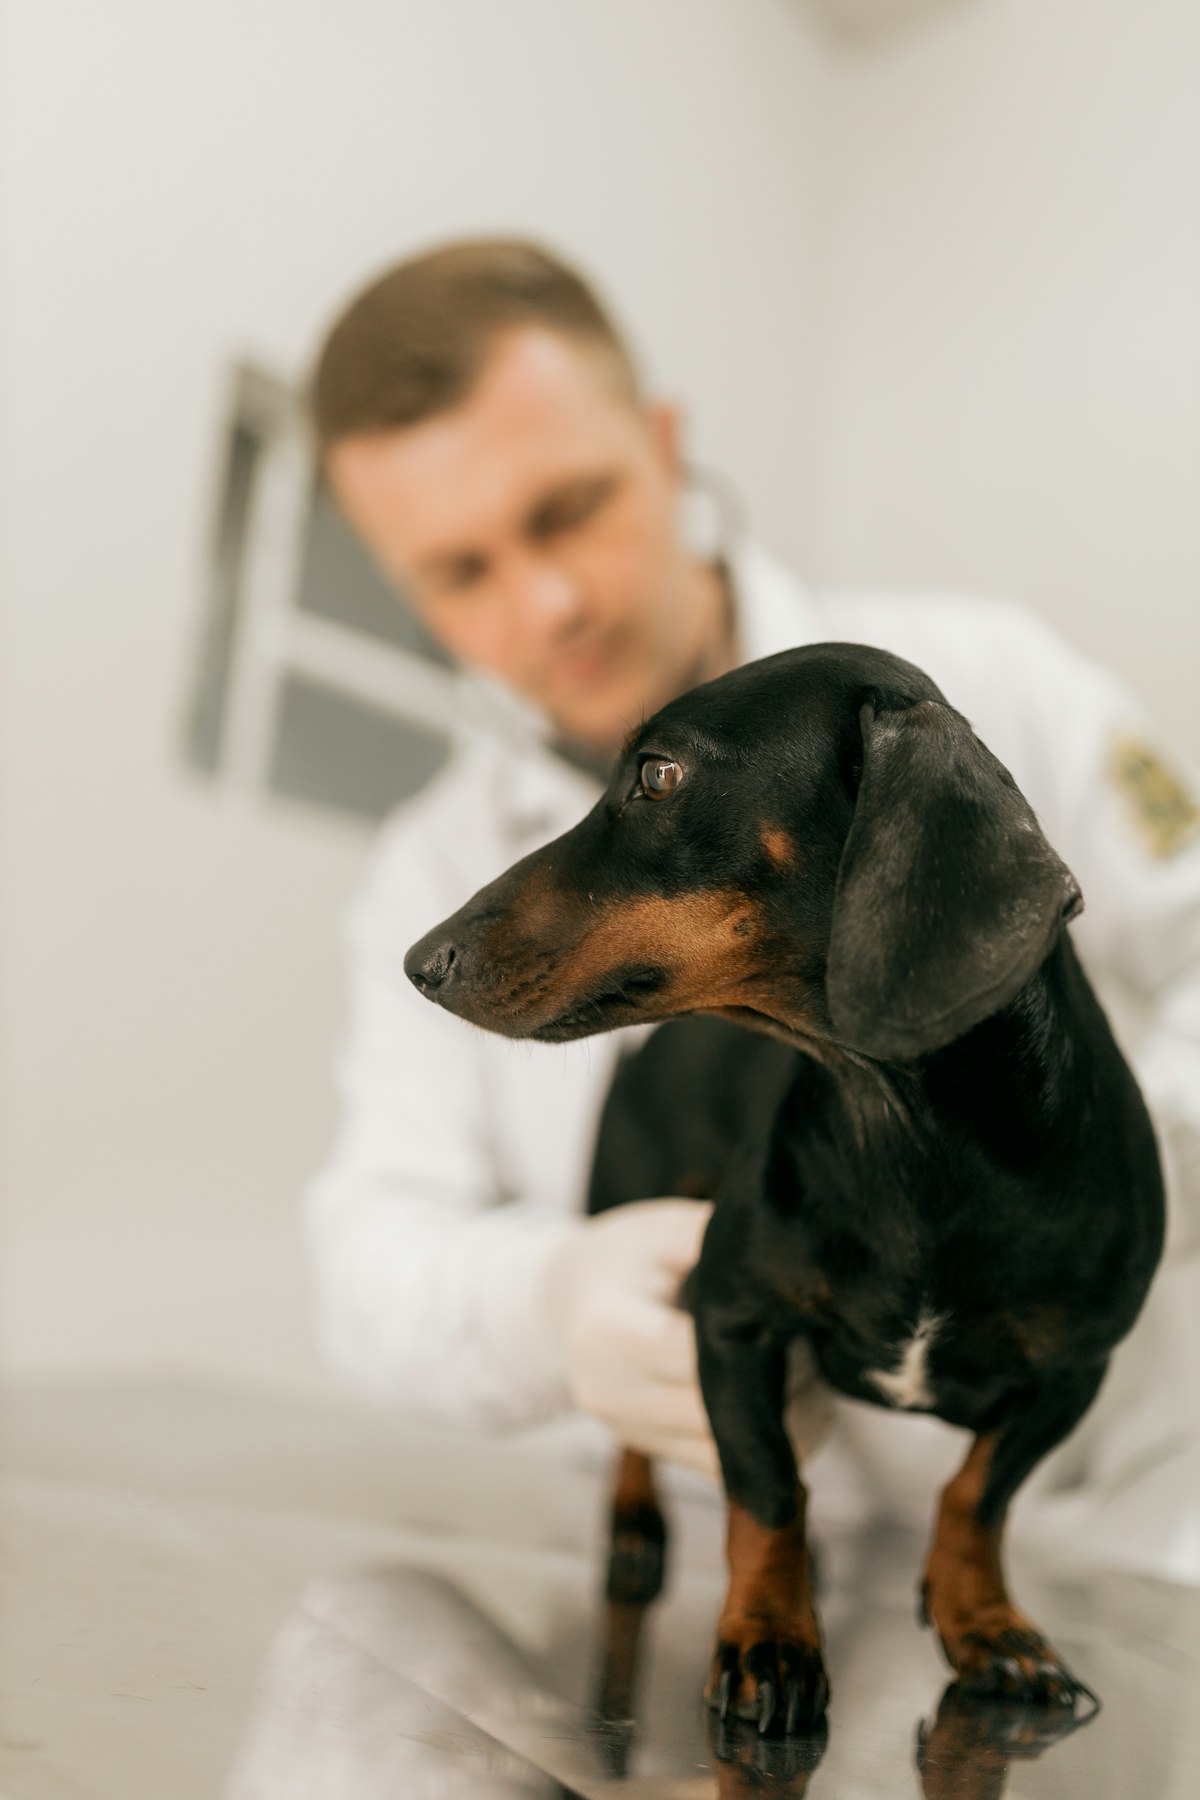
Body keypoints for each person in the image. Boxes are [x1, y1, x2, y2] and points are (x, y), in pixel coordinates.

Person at [303, 238, 1200, 1576]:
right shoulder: (430, 878)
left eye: (566, 510)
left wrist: (1104, 1166)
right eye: (460, 571)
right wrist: (550, 1302)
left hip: (1086, 1532)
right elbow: (367, 1252)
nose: (546, 604)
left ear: (664, 446)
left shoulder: (981, 687)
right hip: (703, 1570)